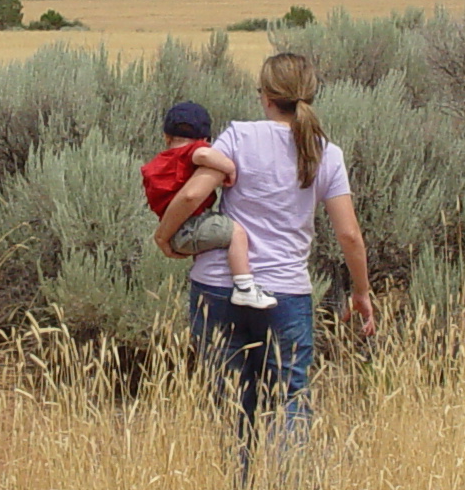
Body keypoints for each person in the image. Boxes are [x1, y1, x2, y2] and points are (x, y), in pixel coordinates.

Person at [153, 51, 374, 468]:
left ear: (267, 96)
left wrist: (165, 236)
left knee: (231, 401)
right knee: (289, 399)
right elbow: (349, 234)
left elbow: (191, 194)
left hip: (217, 288)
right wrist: (361, 291)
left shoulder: (238, 136)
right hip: (286, 293)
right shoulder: (326, 152)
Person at [141, 99, 274, 309]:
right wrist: (229, 168)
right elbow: (201, 156)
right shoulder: (193, 151)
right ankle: (245, 288)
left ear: (166, 136)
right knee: (236, 233)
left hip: (174, 230)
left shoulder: (157, 163)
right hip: (191, 224)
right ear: (204, 139)